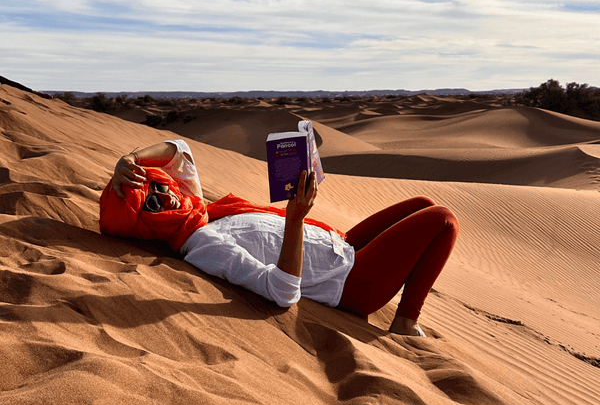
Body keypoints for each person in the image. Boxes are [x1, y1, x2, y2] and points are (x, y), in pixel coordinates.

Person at [99, 139, 459, 337]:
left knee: (422, 204)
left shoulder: (197, 209)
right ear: (146, 225)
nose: (166, 196)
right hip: (350, 281)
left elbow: (179, 150)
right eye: (152, 203)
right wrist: (294, 220)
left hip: (341, 244)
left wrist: (129, 158)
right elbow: (284, 291)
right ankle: (406, 321)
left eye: (157, 185)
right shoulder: (203, 244)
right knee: (443, 219)